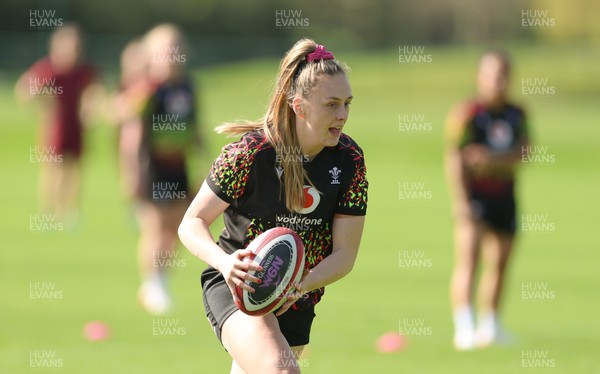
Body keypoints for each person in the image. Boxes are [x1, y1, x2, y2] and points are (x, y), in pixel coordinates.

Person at [178, 39, 368, 373]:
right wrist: (225, 263)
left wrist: (296, 285)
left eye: (347, 104)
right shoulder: (251, 153)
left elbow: (345, 256)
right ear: (299, 106)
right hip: (238, 284)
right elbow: (191, 222)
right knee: (281, 370)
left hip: (299, 292)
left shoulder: (349, 160)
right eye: (332, 104)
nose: (342, 115)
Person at [445, 50, 529, 350]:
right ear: (480, 77)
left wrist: (490, 158)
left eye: (504, 75)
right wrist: (461, 199)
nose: (499, 82)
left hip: (505, 196)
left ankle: (491, 326)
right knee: (469, 260)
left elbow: (525, 152)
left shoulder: (516, 113)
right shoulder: (467, 114)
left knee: (501, 262)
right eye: (493, 75)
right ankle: (464, 328)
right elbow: (456, 157)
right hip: (475, 196)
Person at [117, 24, 199, 315]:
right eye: (165, 50)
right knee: (154, 227)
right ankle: (152, 285)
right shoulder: (148, 89)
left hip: (179, 167)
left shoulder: (187, 86)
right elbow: (132, 134)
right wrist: (133, 173)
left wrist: (203, 159)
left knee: (177, 227)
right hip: (152, 167)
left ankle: (160, 280)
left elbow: (194, 128)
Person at [15, 24, 97, 225]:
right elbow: (24, 90)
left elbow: (93, 91)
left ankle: (69, 210)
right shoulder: (49, 69)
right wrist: (43, 106)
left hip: (76, 126)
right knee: (53, 169)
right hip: (56, 127)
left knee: (74, 168)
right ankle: (49, 209)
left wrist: (89, 109)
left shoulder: (83, 71)